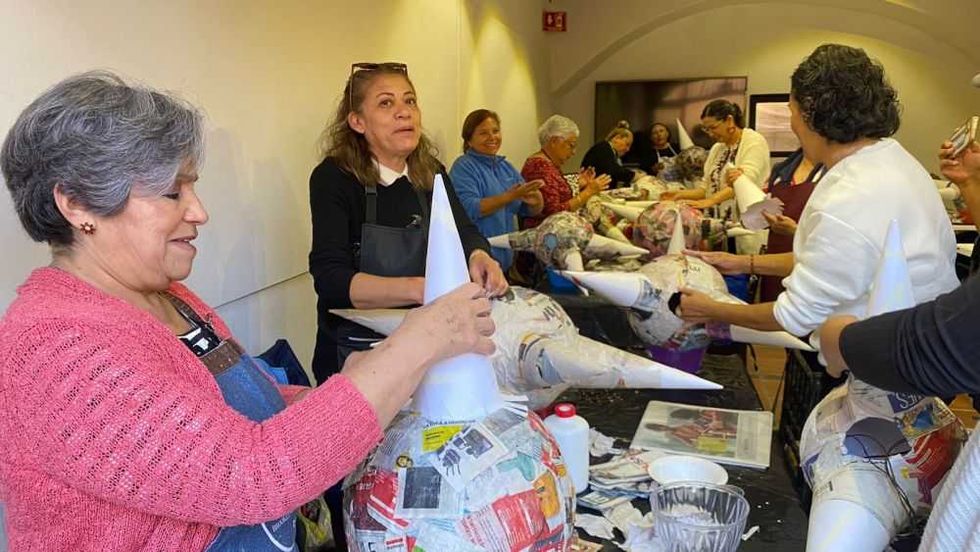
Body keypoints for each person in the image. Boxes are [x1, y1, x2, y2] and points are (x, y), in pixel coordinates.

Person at [0, 71, 496, 551]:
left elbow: (215, 413)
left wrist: (323, 397)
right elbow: (251, 474)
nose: (199, 212)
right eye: (173, 192)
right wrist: (421, 340)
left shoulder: (166, 295)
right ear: (78, 204)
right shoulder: (54, 349)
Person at [676, 44, 958, 355]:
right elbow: (834, 263)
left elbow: (793, 315)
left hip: (888, 362)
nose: (791, 122)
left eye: (791, 110)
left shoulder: (849, 194)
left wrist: (709, 308)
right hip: (919, 342)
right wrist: (742, 262)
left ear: (811, 112)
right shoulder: (892, 158)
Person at [309, 63, 507, 385]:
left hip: (431, 342)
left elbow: (464, 231)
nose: (404, 113)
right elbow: (331, 281)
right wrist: (424, 289)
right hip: (359, 354)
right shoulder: (335, 178)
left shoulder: (431, 172)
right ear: (357, 122)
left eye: (410, 101)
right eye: (386, 103)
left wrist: (479, 256)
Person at [449, 109, 543, 272]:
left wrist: (536, 201)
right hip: (477, 262)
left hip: (505, 262)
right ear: (469, 140)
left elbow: (526, 210)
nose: (492, 137)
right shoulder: (464, 166)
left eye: (495, 131)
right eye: (483, 133)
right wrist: (510, 196)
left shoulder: (505, 166)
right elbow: (469, 209)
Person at [660, 100, 771, 218]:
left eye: (713, 127)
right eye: (706, 129)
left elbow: (745, 182)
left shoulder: (753, 141)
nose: (710, 134)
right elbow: (706, 189)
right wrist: (680, 194)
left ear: (729, 120)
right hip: (719, 221)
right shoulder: (717, 148)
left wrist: (712, 200)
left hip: (748, 220)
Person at [520, 114, 612, 228]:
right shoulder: (540, 167)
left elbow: (557, 193)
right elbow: (554, 214)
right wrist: (589, 191)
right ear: (554, 141)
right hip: (545, 236)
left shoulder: (548, 163)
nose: (573, 152)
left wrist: (578, 183)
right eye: (571, 145)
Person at [758, 148, 825, 302]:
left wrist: (796, 231)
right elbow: (757, 215)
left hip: (809, 268)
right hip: (773, 262)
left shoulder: (832, 174)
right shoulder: (781, 171)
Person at [580, 121, 640, 187]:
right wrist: (635, 175)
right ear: (617, 138)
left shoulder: (608, 149)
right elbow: (615, 170)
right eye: (627, 144)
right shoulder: (604, 148)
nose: (628, 149)